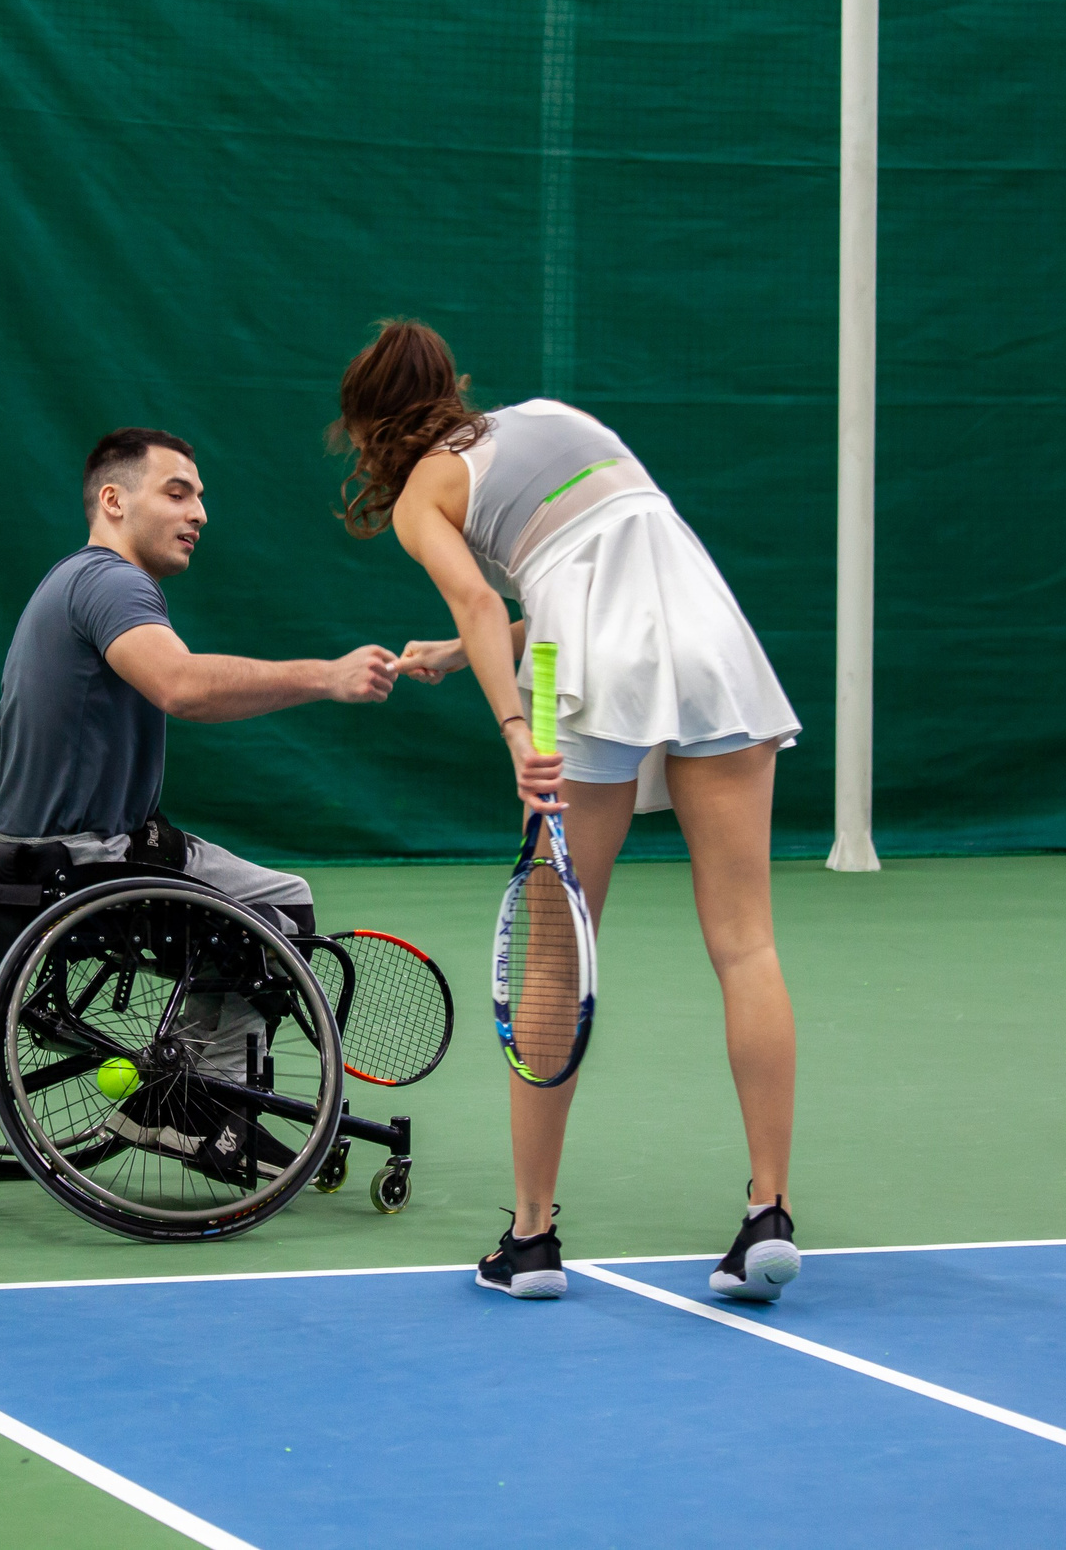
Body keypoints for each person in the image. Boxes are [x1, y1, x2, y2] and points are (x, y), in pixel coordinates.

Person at [331, 321, 805, 1303]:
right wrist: (467, 649)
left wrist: (511, 725)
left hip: (580, 680)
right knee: (746, 943)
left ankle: (532, 1237)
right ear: (450, 388)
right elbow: (606, 566)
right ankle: (768, 1211)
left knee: (551, 958)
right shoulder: (554, 415)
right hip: (714, 641)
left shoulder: (427, 490)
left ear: (374, 427)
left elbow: (485, 593)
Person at [0, 426, 400, 940]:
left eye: (199, 498)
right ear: (113, 501)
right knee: (286, 907)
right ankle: (203, 1027)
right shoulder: (113, 581)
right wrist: (330, 676)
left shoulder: (70, 578)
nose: (199, 514)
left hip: (23, 851)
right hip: (81, 860)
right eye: (176, 494)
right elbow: (181, 686)